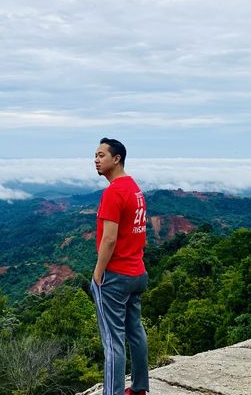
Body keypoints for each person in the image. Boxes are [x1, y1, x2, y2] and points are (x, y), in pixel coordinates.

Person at [91, 137, 149, 395]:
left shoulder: (113, 192)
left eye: (102, 155)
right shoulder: (134, 188)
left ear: (117, 159)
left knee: (112, 341)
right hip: (137, 272)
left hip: (116, 277)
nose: (96, 160)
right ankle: (139, 388)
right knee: (135, 333)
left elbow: (110, 238)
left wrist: (97, 274)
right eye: (95, 155)